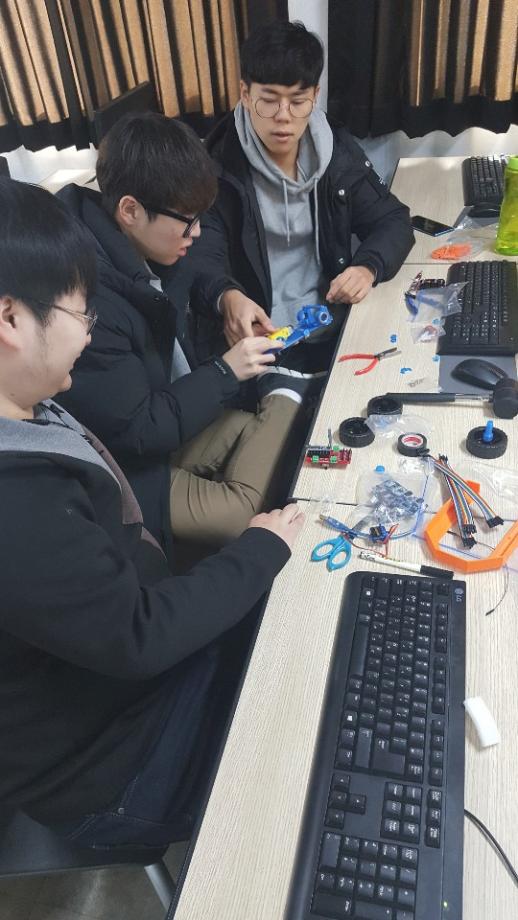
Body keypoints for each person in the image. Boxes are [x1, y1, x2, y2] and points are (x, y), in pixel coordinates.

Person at [0, 176, 304, 847]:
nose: (88, 335)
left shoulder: (28, 407)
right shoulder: (15, 504)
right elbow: (139, 636)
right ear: (11, 319)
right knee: (297, 686)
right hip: (108, 770)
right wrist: (260, 549)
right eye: (82, 315)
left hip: (118, 676)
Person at [57, 112, 313, 561]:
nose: (196, 234)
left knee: (283, 433)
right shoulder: (88, 301)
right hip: (122, 464)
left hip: (161, 417)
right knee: (244, 513)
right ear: (130, 211)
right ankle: (284, 391)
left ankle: (288, 394)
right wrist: (225, 371)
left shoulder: (136, 236)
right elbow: (138, 431)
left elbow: (193, 269)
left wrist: (227, 296)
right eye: (187, 223)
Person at [186, 20, 414, 372]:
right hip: (262, 337)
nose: (283, 117)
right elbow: (200, 257)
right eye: (268, 101)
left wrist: (367, 267)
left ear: (315, 96)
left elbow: (393, 220)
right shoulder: (217, 167)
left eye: (297, 101)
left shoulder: (334, 149)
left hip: (333, 321)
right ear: (245, 93)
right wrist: (226, 297)